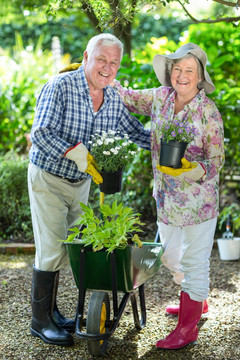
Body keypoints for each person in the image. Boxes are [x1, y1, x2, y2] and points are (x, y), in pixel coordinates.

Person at [28, 33, 150, 346]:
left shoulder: (112, 98)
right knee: (52, 248)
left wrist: (175, 146)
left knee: (70, 248)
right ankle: (39, 322)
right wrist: (74, 151)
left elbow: (136, 131)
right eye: (102, 59)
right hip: (49, 178)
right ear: (86, 57)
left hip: (80, 184)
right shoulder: (61, 86)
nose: (108, 68)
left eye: (114, 63)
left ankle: (52, 314)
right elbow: (40, 133)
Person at [113, 43, 225, 349]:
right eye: (177, 68)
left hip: (198, 202)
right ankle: (196, 301)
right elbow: (127, 97)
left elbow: (216, 162)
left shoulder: (208, 112)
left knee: (194, 262)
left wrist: (189, 169)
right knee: (170, 255)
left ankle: (187, 328)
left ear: (200, 76)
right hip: (165, 198)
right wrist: (104, 77)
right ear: (169, 72)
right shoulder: (160, 98)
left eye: (189, 70)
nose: (182, 74)